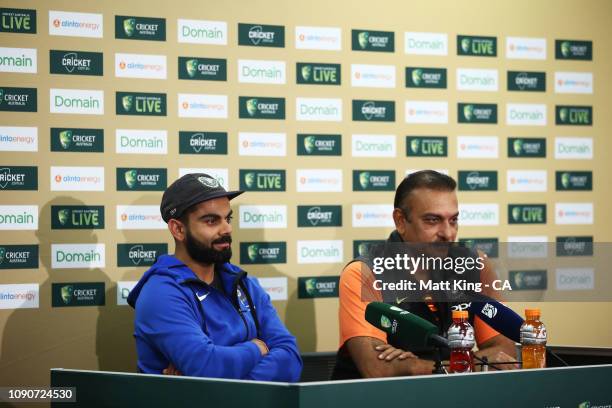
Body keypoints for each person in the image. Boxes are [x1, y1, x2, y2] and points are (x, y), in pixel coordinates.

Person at [332, 170, 517, 379]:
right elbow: (378, 369)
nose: (448, 233)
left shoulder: (474, 265)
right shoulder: (364, 274)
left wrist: (410, 365)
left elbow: (504, 352)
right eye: (432, 220)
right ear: (400, 221)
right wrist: (475, 363)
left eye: (453, 220)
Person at [127, 173, 302, 381]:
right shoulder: (161, 293)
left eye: (228, 218)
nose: (226, 229)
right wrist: (257, 348)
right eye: (211, 221)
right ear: (178, 229)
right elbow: (207, 365)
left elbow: (290, 358)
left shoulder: (244, 283)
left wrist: (226, 379)